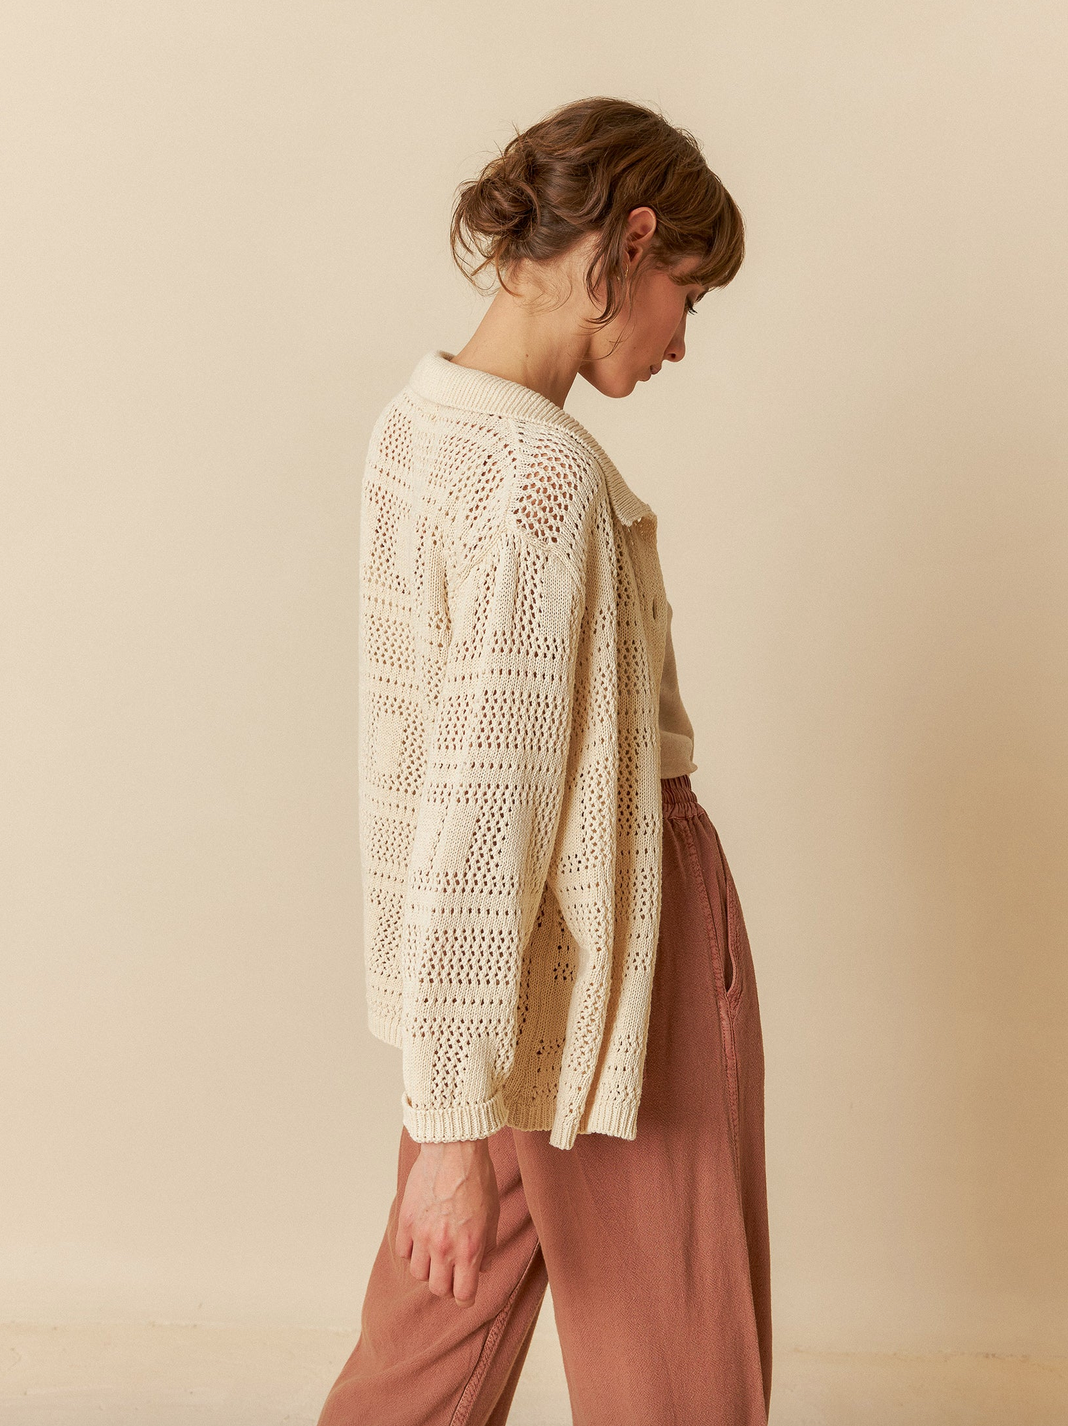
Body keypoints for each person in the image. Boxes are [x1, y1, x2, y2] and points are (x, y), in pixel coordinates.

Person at [317, 96, 772, 1426]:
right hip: (621, 929)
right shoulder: (542, 476)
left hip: (487, 977)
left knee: (420, 1365)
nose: (685, 339)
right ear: (630, 244)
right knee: (679, 1372)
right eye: (689, 293)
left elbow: (420, 794)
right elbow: (476, 809)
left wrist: (443, 1089)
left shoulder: (415, 429)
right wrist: (453, 1135)